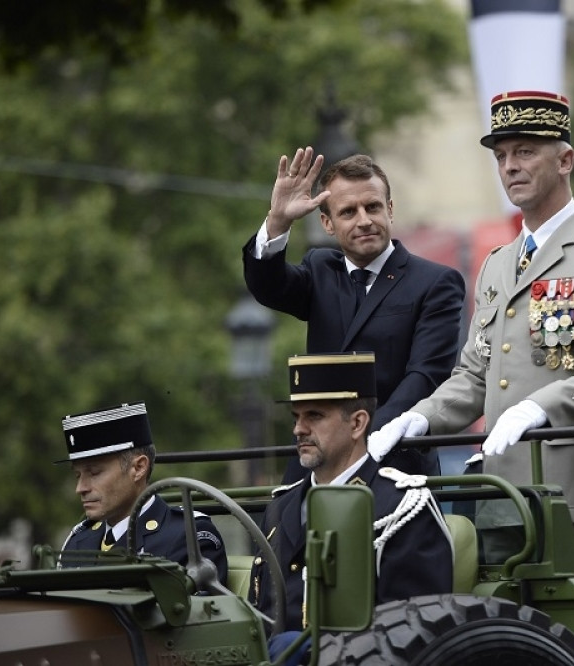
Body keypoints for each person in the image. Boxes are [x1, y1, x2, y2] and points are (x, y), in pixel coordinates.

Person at [368, 91, 574, 584]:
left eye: (525, 151)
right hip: (499, 492)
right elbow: (475, 373)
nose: (509, 167)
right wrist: (418, 417)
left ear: (565, 159)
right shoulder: (501, 263)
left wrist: (539, 408)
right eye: (501, 156)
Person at [242, 150, 466, 481]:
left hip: (392, 459)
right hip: (316, 463)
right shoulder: (320, 268)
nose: (364, 220)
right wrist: (278, 221)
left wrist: (355, 443)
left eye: (372, 206)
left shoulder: (434, 282)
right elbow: (268, 287)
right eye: (348, 212)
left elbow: (425, 376)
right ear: (327, 223)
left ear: (389, 209)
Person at [248, 353, 453, 649]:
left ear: (357, 424)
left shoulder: (401, 507)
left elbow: (417, 633)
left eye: (314, 416)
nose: (298, 429)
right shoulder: (281, 507)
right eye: (296, 417)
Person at [58, 402, 228, 586]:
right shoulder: (79, 540)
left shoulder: (189, 537)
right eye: (77, 475)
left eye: (94, 473)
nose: (80, 488)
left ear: (138, 468)